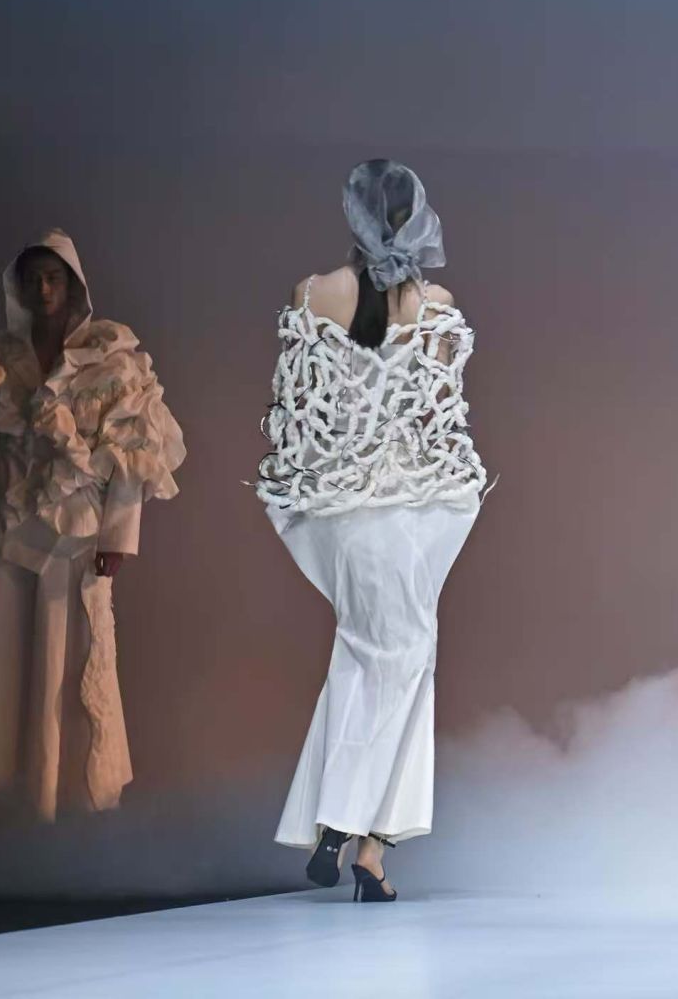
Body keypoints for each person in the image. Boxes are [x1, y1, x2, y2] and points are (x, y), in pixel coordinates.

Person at [259, 161, 485, 902]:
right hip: (406, 515)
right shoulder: (435, 306)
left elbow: (298, 413)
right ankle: (351, 829)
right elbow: (437, 422)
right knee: (406, 667)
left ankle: (360, 846)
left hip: (344, 518)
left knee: (362, 661)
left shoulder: (312, 294)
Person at [0, 229, 184, 819]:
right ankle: (3, 802)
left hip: (76, 536)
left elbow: (131, 455)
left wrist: (118, 538)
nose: (44, 289)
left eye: (53, 278)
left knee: (64, 661)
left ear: (74, 286)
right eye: (34, 279)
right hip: (9, 533)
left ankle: (59, 802)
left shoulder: (111, 361)